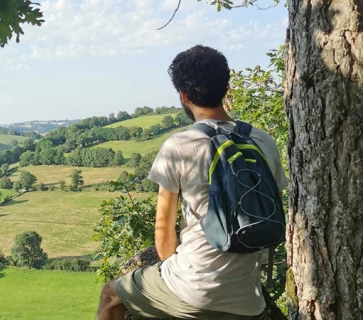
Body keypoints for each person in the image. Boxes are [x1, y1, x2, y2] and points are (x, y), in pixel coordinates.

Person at [95, 45, 289, 320]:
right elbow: (273, 214)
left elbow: (163, 236)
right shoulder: (263, 142)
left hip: (193, 290)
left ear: (183, 96)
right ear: (226, 88)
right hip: (249, 300)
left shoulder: (179, 146)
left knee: (111, 294)